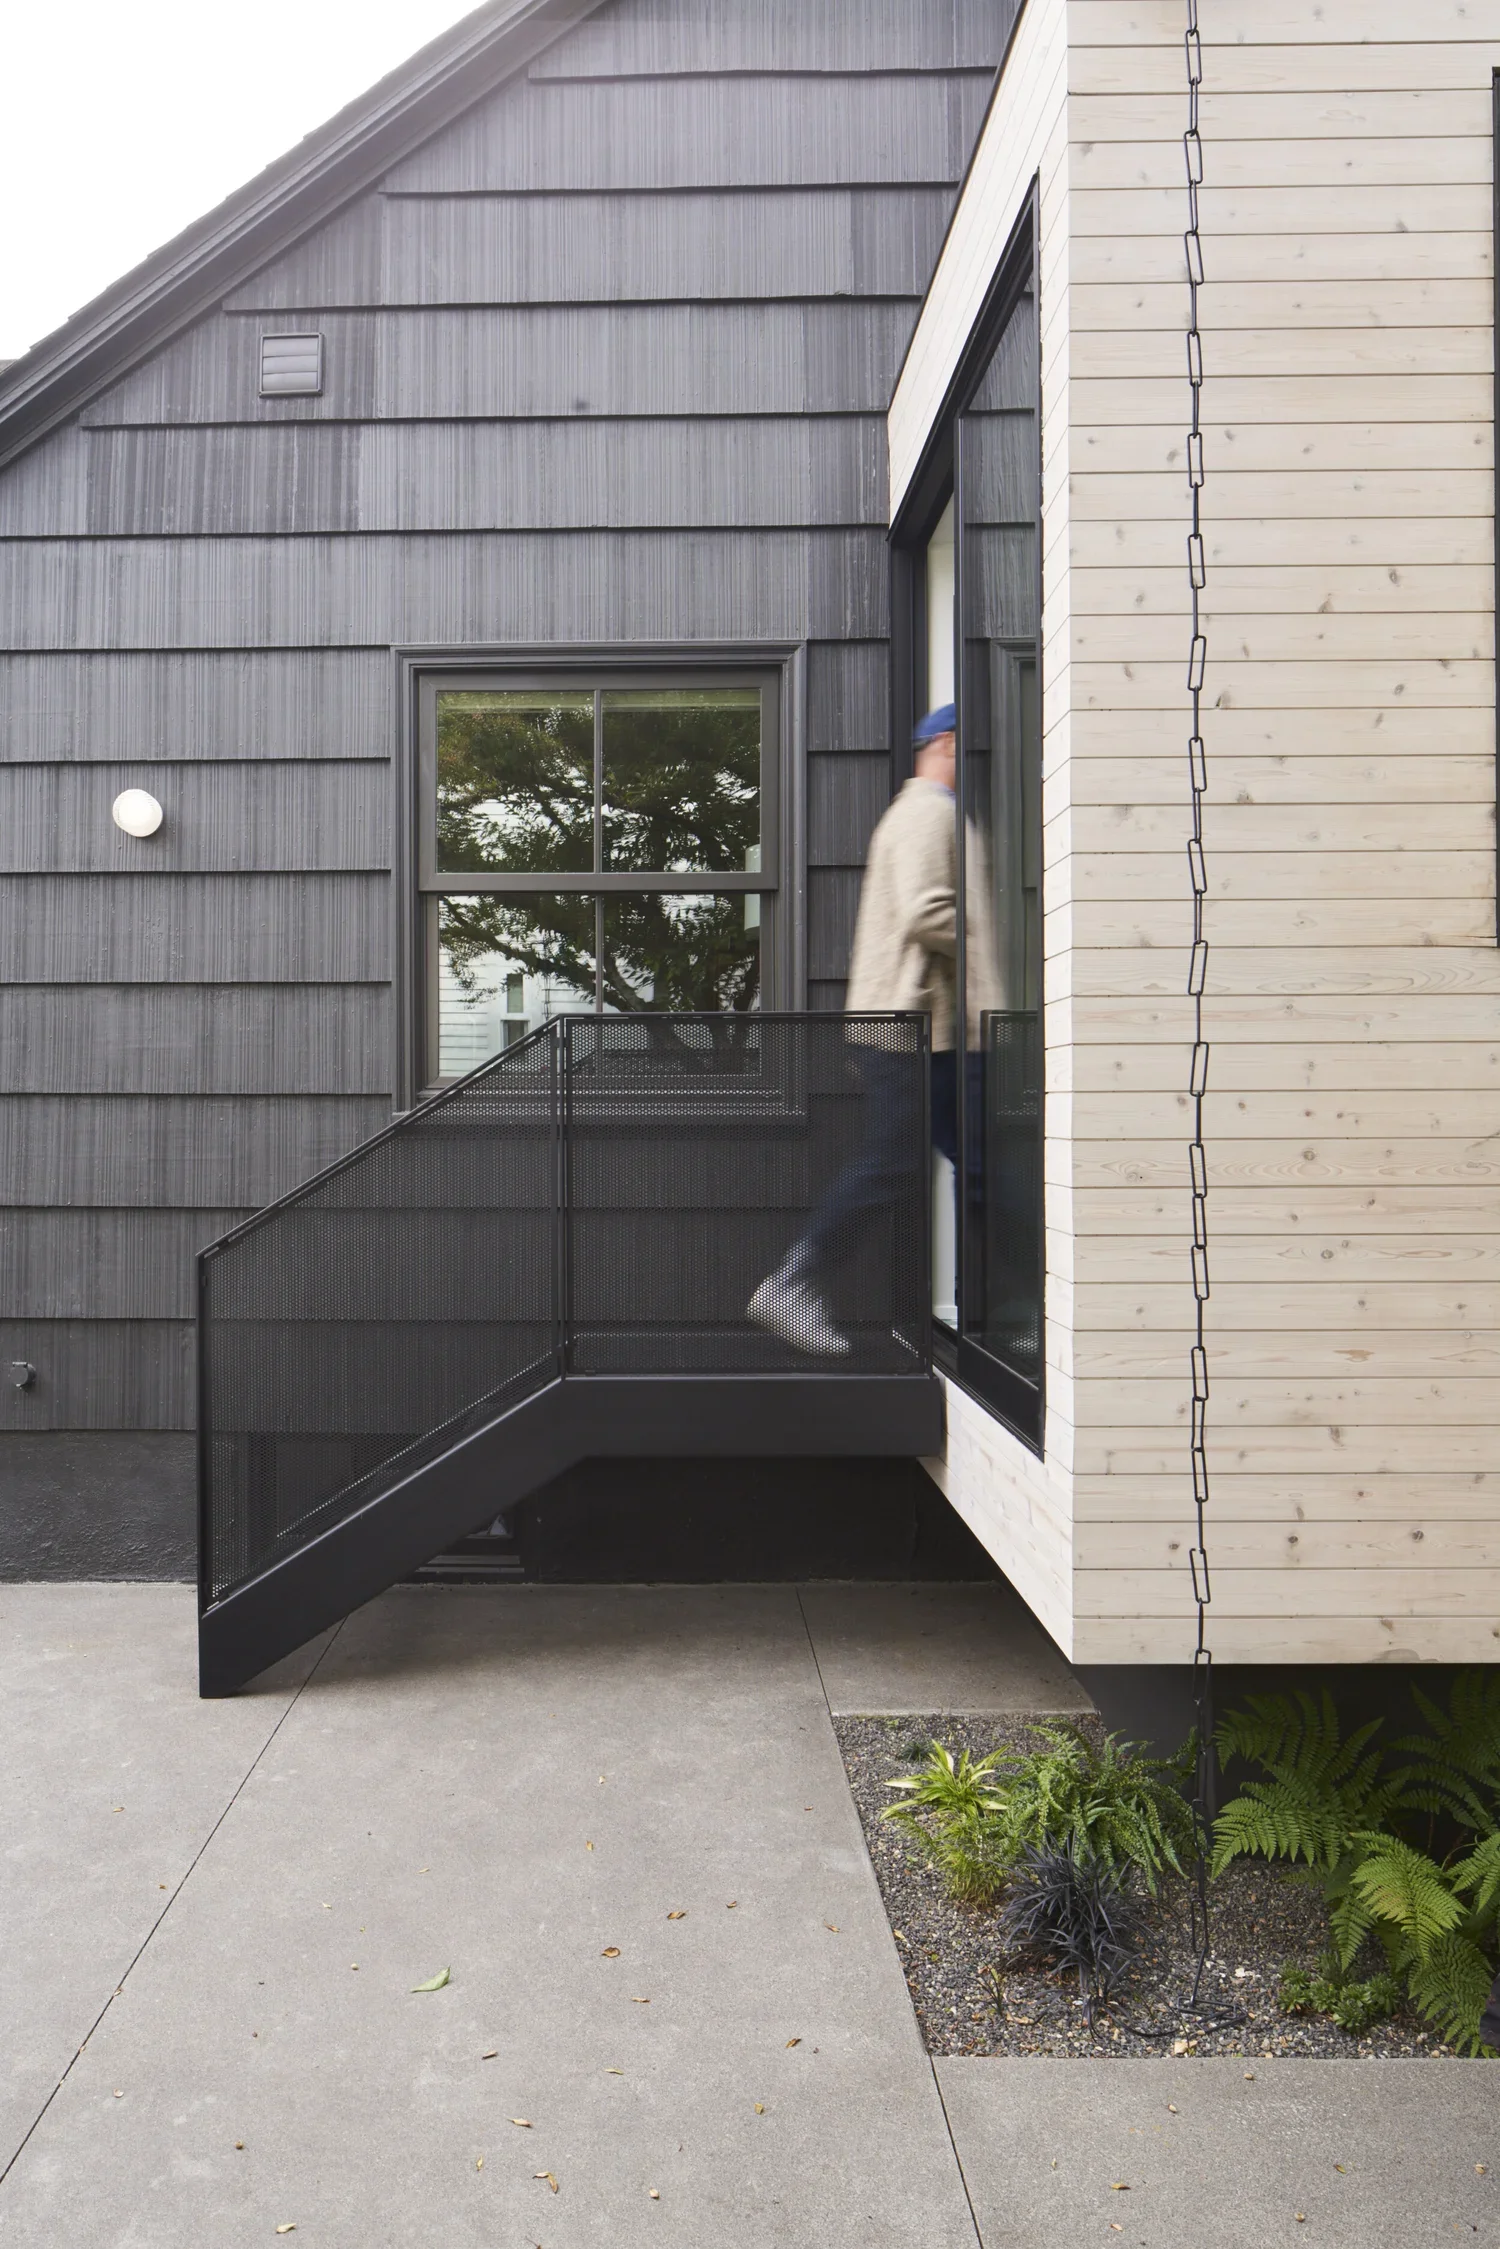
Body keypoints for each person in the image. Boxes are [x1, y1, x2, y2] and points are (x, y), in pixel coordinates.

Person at [748, 703, 1001, 1354]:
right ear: (944, 743)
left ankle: (986, 1313)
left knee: (977, 1166)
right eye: (965, 750)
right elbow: (926, 912)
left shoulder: (923, 813)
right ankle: (796, 1280)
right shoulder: (926, 813)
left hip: (929, 1026)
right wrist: (995, 945)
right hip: (917, 1025)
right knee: (903, 1161)